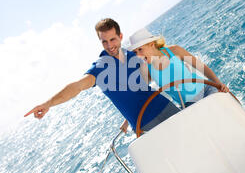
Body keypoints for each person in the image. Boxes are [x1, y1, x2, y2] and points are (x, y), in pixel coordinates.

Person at [24, 19, 179, 134]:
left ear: (120, 36)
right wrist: (48, 103)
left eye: (112, 39)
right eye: (104, 41)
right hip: (144, 124)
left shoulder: (133, 54)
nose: (110, 45)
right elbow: (77, 86)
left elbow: (146, 78)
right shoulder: (101, 66)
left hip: (164, 105)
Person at [128, 27, 229, 109]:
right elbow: (141, 94)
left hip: (206, 90)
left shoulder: (175, 51)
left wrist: (218, 83)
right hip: (188, 106)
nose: (138, 55)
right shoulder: (145, 68)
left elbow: (201, 67)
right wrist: (127, 121)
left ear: (151, 44)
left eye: (140, 49)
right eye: (135, 52)